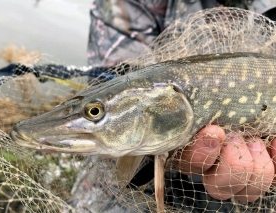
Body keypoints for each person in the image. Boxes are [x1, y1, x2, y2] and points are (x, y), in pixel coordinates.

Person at [81, 0, 276, 211]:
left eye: (95, 112)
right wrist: (147, 157)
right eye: (95, 112)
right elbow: (113, 87)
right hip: (134, 187)